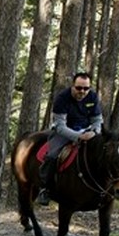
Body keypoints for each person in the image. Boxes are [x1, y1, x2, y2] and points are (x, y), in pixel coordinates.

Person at [36, 72, 103, 205]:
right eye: (79, 88)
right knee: (52, 156)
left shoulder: (93, 97)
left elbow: (97, 120)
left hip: (87, 131)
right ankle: (45, 188)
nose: (82, 91)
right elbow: (60, 125)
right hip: (64, 132)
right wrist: (78, 136)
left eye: (86, 88)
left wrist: (94, 132)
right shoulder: (62, 98)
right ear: (73, 86)